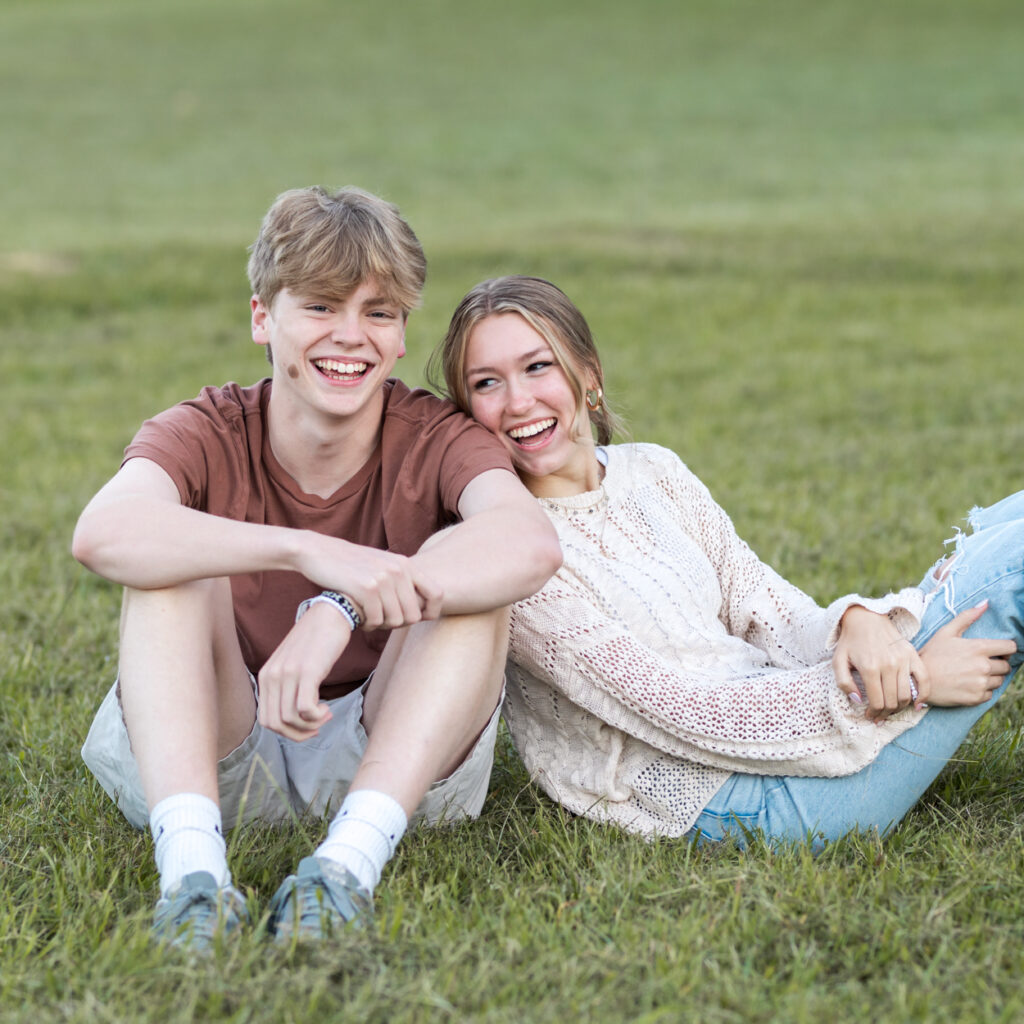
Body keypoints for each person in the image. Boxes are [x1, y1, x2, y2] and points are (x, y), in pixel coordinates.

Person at [72, 192, 561, 951]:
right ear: (263, 318)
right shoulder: (205, 427)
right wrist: (301, 549)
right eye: (321, 306)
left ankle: (342, 873)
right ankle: (193, 880)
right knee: (169, 566)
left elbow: (528, 543)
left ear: (401, 336)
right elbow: (103, 533)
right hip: (216, 752)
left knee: (470, 583)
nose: (350, 336)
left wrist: (339, 605)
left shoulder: (434, 435)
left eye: (379, 312)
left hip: (394, 757)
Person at [429, 274, 1021, 846]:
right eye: (487, 383)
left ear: (589, 375)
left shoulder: (652, 470)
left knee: (1009, 525)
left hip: (796, 735)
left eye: (538, 366)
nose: (518, 401)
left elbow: (763, 605)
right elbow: (684, 711)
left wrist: (858, 623)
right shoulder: (511, 552)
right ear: (467, 411)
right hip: (745, 802)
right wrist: (916, 684)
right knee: (1013, 566)